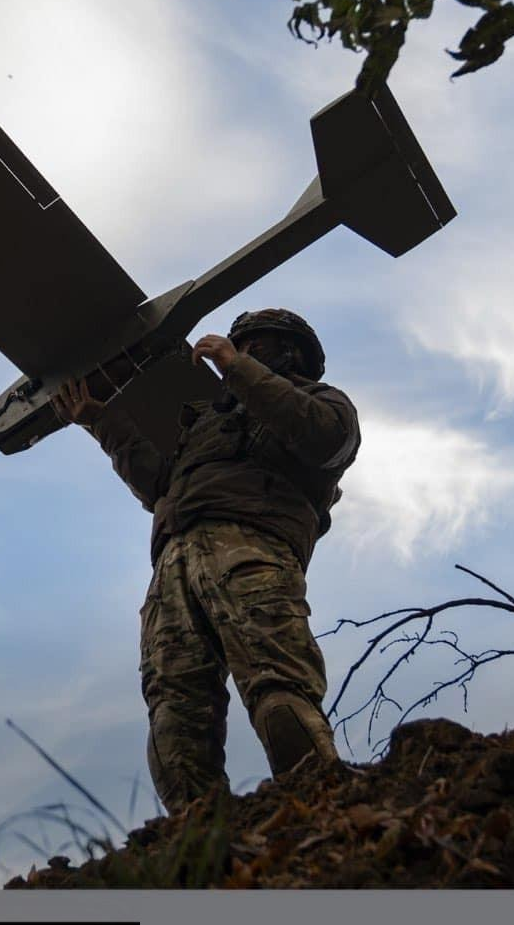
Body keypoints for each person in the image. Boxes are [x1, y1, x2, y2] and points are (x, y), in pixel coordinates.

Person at [52, 308, 360, 814]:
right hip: (173, 562)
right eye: (241, 348)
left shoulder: (325, 404)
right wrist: (102, 422)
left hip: (251, 546)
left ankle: (325, 817)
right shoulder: (210, 424)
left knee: (279, 692)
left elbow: (324, 438)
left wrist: (237, 367)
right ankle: (205, 850)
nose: (241, 356)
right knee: (175, 715)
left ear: (291, 355)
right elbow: (161, 487)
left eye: (256, 347)